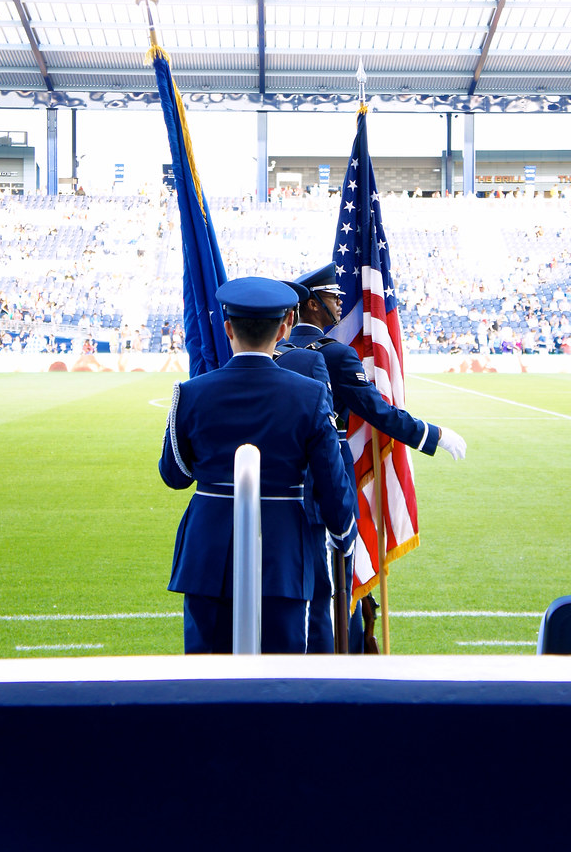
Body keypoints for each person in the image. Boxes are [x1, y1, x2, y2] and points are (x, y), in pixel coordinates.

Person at [159, 276, 357, 655]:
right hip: (284, 553)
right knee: (282, 679)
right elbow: (333, 488)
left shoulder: (191, 392)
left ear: (228, 328)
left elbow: (175, 475)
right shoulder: (311, 394)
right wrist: (344, 537)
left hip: (207, 553)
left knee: (207, 679)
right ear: (284, 328)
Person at [290, 262, 467, 652]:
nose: (341, 302)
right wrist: (432, 436)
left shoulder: (278, 353)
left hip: (279, 489)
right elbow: (378, 411)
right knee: (330, 586)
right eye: (334, 297)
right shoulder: (333, 354)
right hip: (323, 487)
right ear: (314, 305)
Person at [273, 281, 343, 653]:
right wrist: (344, 527)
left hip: (225, 530)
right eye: (333, 298)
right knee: (314, 608)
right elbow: (326, 451)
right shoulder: (316, 359)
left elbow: (176, 473)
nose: (340, 304)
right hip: (305, 506)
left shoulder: (193, 391)